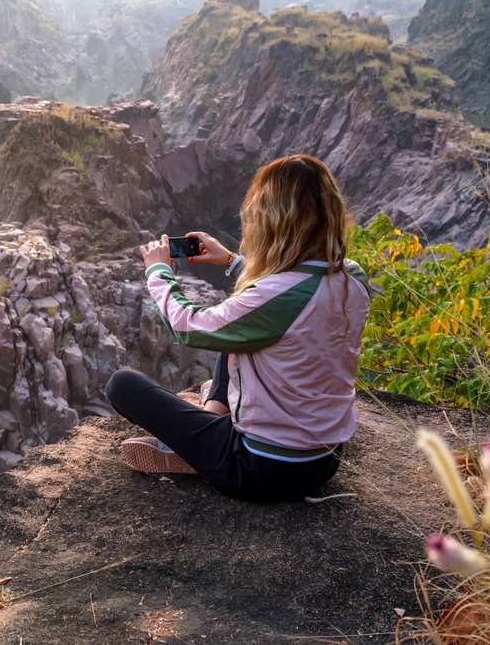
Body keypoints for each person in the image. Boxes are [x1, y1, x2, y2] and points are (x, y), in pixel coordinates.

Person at [105, 154, 373, 501]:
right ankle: (213, 414)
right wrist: (231, 261)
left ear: (270, 220)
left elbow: (189, 327)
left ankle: (199, 447)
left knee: (122, 385)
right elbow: (294, 302)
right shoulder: (353, 276)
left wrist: (158, 272)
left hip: (260, 468)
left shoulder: (274, 298)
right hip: (326, 457)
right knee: (237, 334)